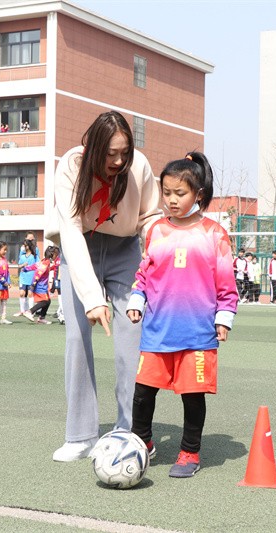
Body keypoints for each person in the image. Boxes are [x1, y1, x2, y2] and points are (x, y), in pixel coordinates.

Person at [47, 110, 162, 462]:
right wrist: (92, 298)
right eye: (111, 153)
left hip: (125, 250)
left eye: (124, 152)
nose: (119, 161)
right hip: (79, 246)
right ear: (94, 147)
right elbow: (69, 229)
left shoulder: (139, 166)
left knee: (132, 336)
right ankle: (80, 435)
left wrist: (160, 251)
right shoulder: (71, 165)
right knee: (76, 337)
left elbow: (150, 216)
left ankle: (132, 430)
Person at [127, 152, 238, 478]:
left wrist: (223, 318)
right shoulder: (156, 230)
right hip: (157, 330)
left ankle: (190, 452)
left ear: (198, 194)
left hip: (197, 334)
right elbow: (144, 274)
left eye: (180, 193)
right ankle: (142, 442)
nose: (172, 200)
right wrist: (137, 300)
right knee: (143, 392)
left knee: (192, 396)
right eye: (167, 192)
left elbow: (226, 283)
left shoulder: (214, 234)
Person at [22, 246, 56, 324]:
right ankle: (30, 312)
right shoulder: (46, 263)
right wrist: (34, 283)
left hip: (43, 285)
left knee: (48, 301)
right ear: (52, 254)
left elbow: (35, 266)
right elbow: (39, 272)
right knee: (45, 301)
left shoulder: (44, 261)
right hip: (40, 285)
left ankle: (41, 318)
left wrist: (26, 269)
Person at [15, 240, 37, 316]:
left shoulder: (34, 256)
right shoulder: (22, 256)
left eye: (25, 245)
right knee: (21, 294)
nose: (24, 247)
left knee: (30, 294)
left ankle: (31, 311)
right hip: (23, 277)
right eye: (24, 245)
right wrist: (23, 265)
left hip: (31, 278)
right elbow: (19, 265)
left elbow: (37, 265)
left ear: (29, 246)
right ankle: (22, 311)